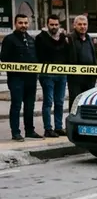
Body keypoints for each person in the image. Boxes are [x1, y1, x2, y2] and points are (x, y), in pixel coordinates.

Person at [1, 13, 40, 141]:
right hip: (16, 78)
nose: (23, 25)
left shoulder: (31, 39)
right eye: (20, 23)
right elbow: (4, 58)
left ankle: (30, 130)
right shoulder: (9, 39)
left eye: (25, 23)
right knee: (16, 105)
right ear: (15, 24)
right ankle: (15, 132)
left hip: (31, 78)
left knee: (30, 105)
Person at [34, 14, 70, 138]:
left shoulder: (63, 38)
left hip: (61, 74)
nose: (54, 27)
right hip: (47, 74)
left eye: (56, 24)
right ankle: (48, 129)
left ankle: (58, 127)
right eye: (51, 25)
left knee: (59, 102)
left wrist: (63, 38)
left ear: (59, 25)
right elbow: (42, 53)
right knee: (48, 102)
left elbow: (66, 53)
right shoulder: (41, 38)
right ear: (47, 25)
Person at [66, 15, 97, 110]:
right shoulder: (70, 38)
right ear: (74, 25)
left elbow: (94, 56)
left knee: (88, 104)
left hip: (89, 78)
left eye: (84, 24)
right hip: (76, 79)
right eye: (80, 24)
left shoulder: (89, 38)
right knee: (75, 103)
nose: (82, 26)